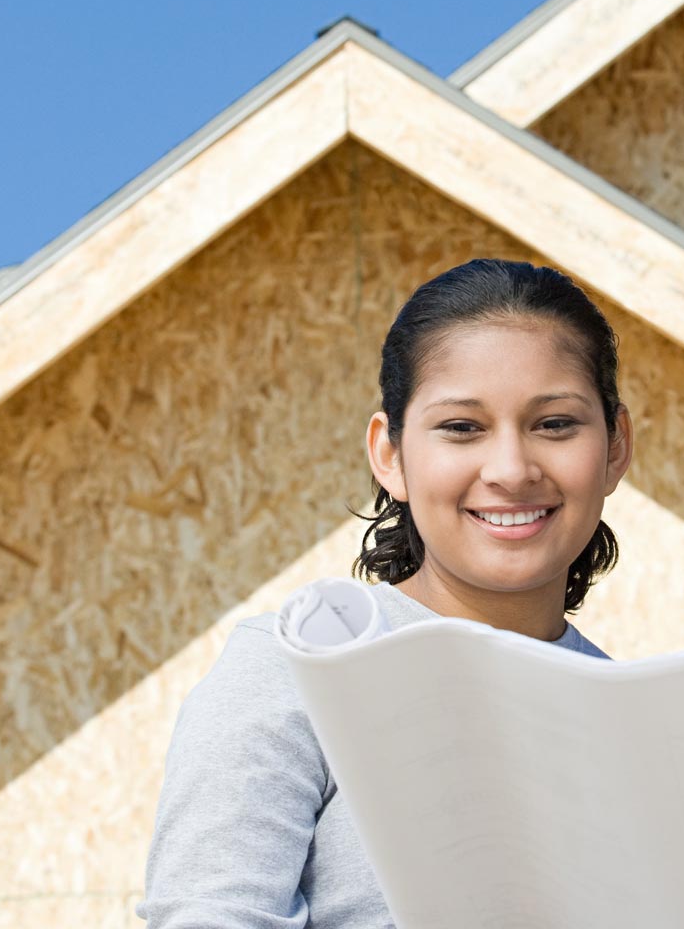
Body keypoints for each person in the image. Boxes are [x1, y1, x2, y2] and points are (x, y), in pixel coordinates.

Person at [139, 258, 635, 928]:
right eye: (462, 427)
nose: (512, 470)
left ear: (614, 448)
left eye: (554, 424)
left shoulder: (634, 719)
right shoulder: (297, 671)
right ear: (390, 455)